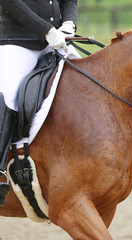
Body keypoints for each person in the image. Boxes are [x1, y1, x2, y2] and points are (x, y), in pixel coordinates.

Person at [0, 0, 78, 205]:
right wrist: (47, 30)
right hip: (16, 42)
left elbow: (69, 1)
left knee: (86, 81)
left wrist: (69, 23)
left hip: (55, 41)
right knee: (10, 94)